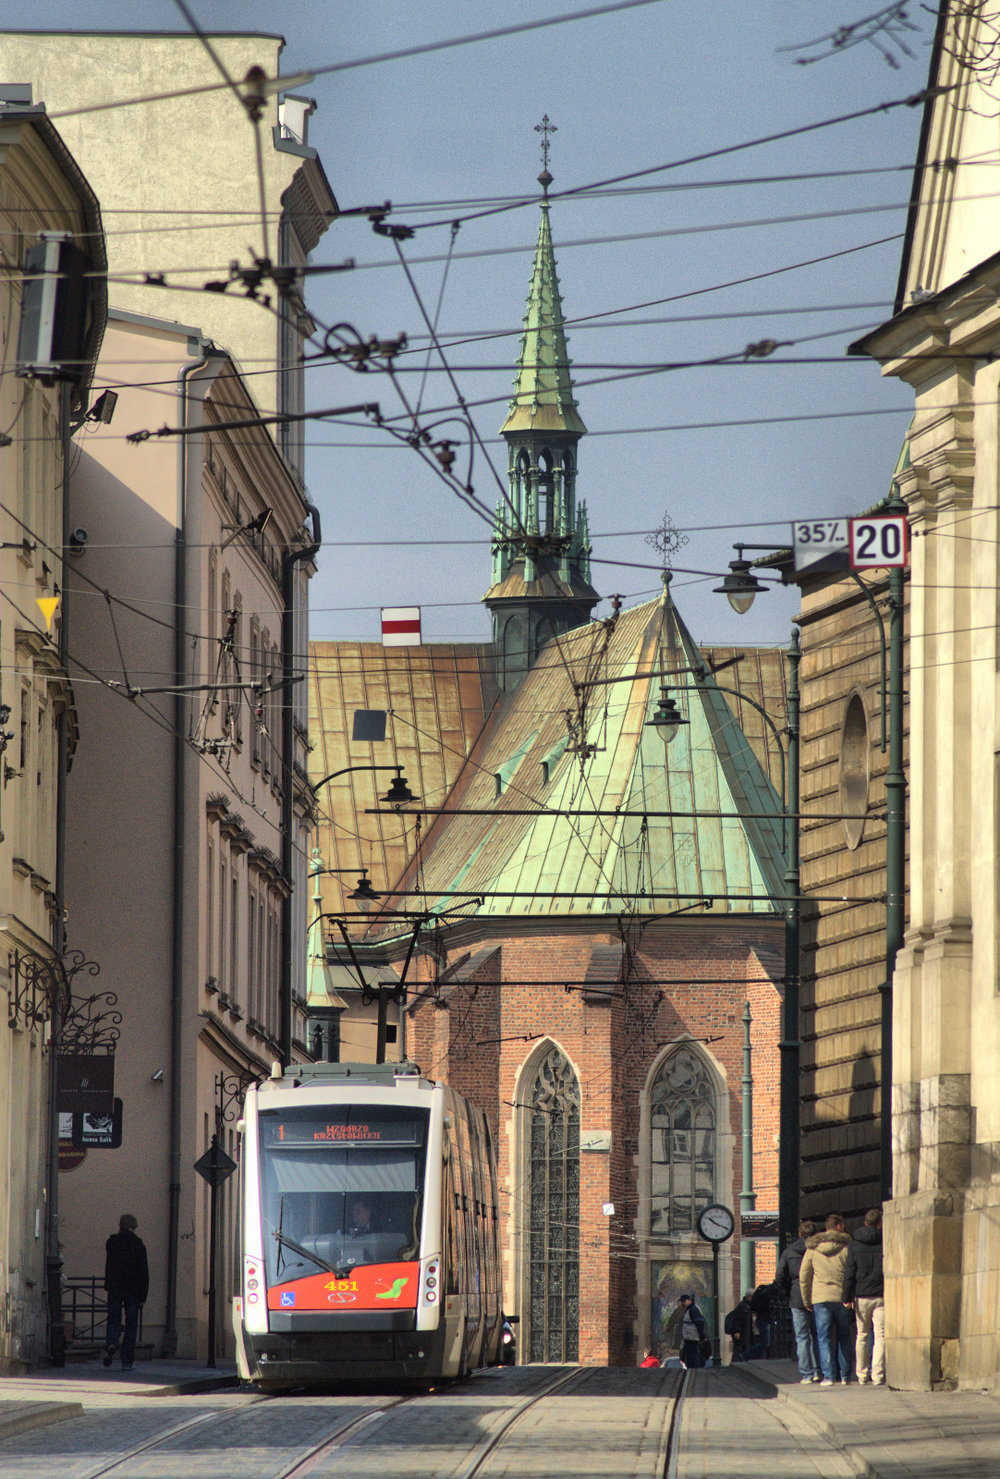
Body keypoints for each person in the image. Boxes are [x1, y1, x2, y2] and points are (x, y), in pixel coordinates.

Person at [799, 1212, 855, 1385]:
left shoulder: (812, 1249)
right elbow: (852, 1273)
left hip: (820, 1298)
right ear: (838, 1226)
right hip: (842, 1297)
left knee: (823, 1338)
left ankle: (828, 1376)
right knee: (844, 1336)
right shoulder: (846, 1247)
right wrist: (851, 1295)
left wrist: (807, 1300)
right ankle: (845, 1376)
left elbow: (804, 1276)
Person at [776, 1219, 821, 1383]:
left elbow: (780, 1276)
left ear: (800, 1234)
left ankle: (806, 1374)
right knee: (818, 1335)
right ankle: (818, 1371)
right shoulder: (819, 1250)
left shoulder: (789, 1252)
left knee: (802, 1337)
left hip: (797, 1296)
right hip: (817, 1295)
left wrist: (787, 1292)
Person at [843, 1208, 885, 1385]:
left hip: (861, 1295)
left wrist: (846, 1296)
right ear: (880, 1223)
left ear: (865, 1223)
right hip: (881, 1294)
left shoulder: (854, 1244)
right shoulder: (885, 1241)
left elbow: (849, 1271)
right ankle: (878, 1375)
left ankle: (861, 1374)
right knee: (880, 1335)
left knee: (862, 1335)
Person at [103, 1213, 149, 1372]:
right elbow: (144, 1271)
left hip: (115, 1286)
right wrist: (143, 1295)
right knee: (131, 1325)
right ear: (134, 1226)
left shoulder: (112, 1242)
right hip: (133, 1289)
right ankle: (127, 1362)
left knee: (113, 1318)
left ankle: (112, 1342)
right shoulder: (138, 1244)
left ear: (120, 1225)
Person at [675, 1292, 708, 1368]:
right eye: (682, 1302)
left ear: (689, 1300)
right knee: (690, 1357)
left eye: (684, 1301)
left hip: (692, 1338)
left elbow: (699, 1323)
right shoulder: (689, 1310)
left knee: (692, 1357)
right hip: (689, 1338)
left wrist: (702, 1336)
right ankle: (692, 1370)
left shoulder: (693, 1310)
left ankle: (694, 1371)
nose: (682, 1303)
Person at [724, 1290, 755, 1362]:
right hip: (742, 1333)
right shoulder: (743, 1307)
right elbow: (737, 1319)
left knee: (741, 1350)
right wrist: (736, 1331)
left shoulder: (747, 1306)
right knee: (738, 1351)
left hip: (745, 1333)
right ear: (749, 1297)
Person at [747, 1281, 775, 1359]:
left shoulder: (764, 1292)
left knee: (766, 1342)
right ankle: (745, 1355)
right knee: (766, 1343)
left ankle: (767, 1357)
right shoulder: (768, 1294)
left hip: (762, 1319)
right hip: (764, 1320)